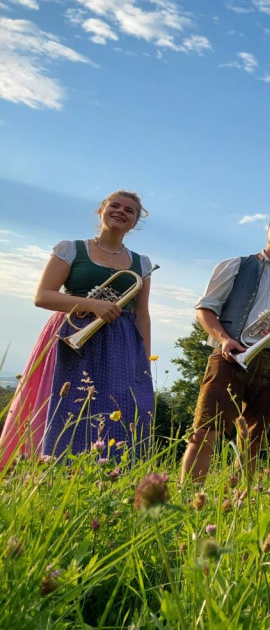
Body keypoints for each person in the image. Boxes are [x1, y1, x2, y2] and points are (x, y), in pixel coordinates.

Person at [0, 191, 155, 465]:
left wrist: (143, 360)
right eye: (114, 206)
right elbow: (43, 296)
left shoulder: (141, 263)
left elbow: (142, 315)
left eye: (129, 210)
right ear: (101, 211)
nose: (121, 211)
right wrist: (92, 305)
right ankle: (50, 467)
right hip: (73, 332)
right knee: (63, 402)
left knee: (116, 406)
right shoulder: (70, 249)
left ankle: (109, 470)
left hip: (120, 343)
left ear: (135, 222)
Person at [179, 209, 270, 483]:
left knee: (254, 439)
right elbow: (204, 310)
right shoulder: (235, 265)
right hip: (230, 355)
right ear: (267, 230)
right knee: (205, 430)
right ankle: (189, 496)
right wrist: (224, 340)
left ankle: (241, 500)